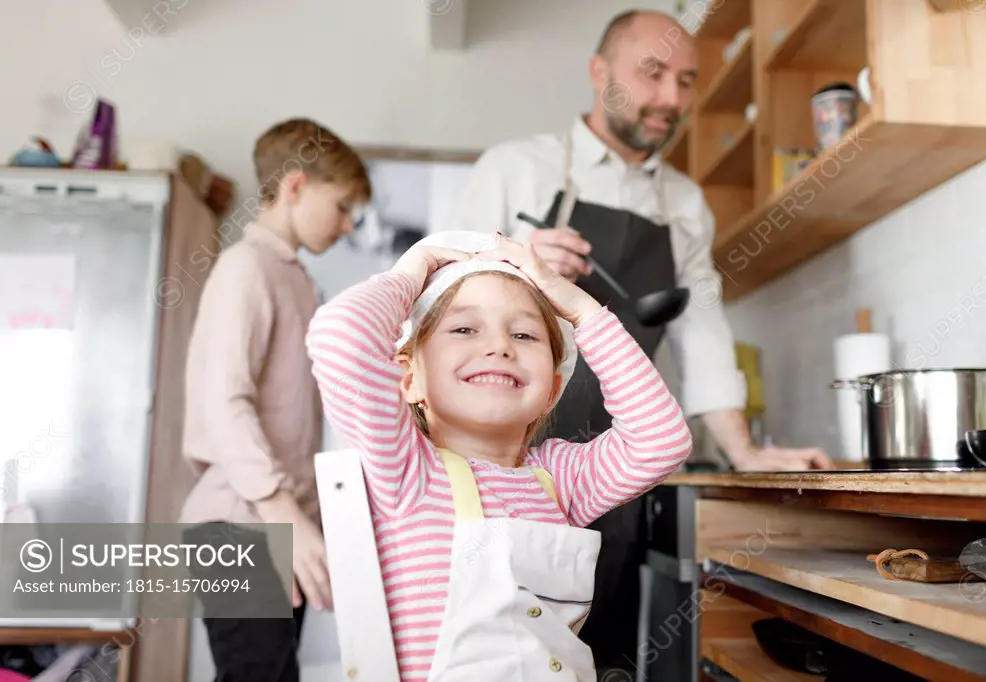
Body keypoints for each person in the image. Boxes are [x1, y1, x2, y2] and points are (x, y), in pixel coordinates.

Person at [442, 9, 833, 677]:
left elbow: (702, 327)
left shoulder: (684, 203)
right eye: (652, 73)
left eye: (686, 81)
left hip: (613, 467)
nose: (673, 100)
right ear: (600, 74)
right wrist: (510, 260)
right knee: (493, 647)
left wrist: (743, 449)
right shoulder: (517, 169)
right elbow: (433, 295)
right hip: (501, 463)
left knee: (604, 645)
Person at [304, 230, 693, 681]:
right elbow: (338, 336)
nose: (499, 346)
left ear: (551, 390)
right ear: (409, 380)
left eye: (525, 333)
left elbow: (661, 441)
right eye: (465, 328)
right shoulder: (405, 468)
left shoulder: (557, 480)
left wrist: (583, 311)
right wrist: (414, 267)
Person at [178, 117, 371, 682]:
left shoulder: (298, 280)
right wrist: (282, 512)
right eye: (341, 206)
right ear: (294, 188)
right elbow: (225, 402)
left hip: (272, 521)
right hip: (244, 520)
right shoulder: (246, 268)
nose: (348, 223)